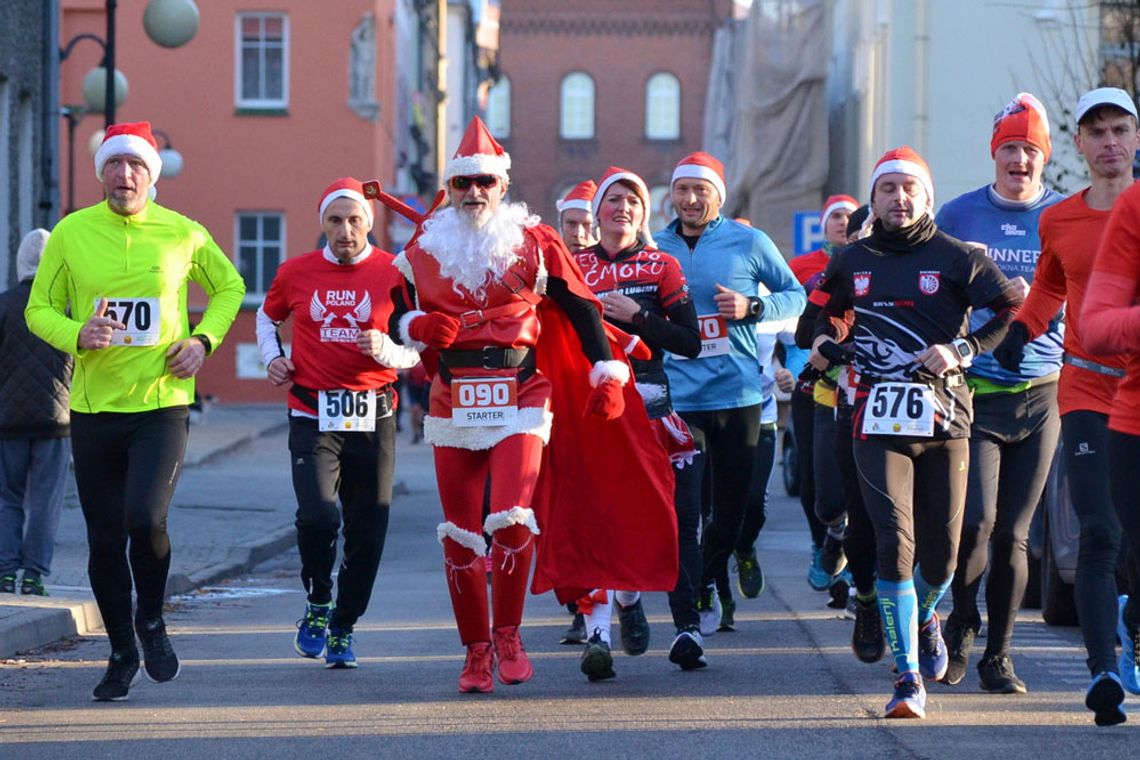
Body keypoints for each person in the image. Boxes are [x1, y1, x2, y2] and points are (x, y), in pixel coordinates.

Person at [387, 117, 677, 693]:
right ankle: (474, 652)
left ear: (502, 186)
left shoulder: (536, 242)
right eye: (463, 182)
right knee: (460, 532)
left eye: (484, 183)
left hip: (520, 393)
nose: (474, 193)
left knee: (513, 519)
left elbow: (584, 309)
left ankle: (509, 634)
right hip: (452, 397)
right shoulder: (422, 247)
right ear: (450, 187)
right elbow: (395, 315)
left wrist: (608, 373)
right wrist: (419, 323)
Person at [25, 121, 245, 701]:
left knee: (145, 521)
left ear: (152, 174)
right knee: (103, 539)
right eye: (115, 165)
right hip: (95, 409)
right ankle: (121, 649)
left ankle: (151, 619)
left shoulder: (183, 233)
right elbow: (37, 309)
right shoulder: (72, 233)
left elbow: (229, 288)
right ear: (102, 173)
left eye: (136, 166)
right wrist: (78, 332)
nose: (125, 175)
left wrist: (202, 342)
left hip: (160, 404)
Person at [811, 146, 1021, 718]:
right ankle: (906, 678)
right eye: (887, 189)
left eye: (910, 189)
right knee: (892, 545)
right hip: (875, 420)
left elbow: (1008, 310)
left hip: (947, 420)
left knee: (943, 559)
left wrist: (962, 348)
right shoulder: (852, 260)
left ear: (926, 198)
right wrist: (830, 347)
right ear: (873, 200)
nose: (899, 198)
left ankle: (926, 613)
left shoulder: (956, 256)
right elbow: (817, 319)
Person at [994, 87, 1138, 726]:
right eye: (1096, 132)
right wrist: (1021, 332)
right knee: (1100, 532)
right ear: (1077, 146)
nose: (1109, 142)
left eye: (1119, 130)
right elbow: (1051, 283)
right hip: (1085, 384)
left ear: (1135, 139)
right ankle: (1103, 670)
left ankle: (1129, 621)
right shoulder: (1059, 219)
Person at [256, 177, 420, 669]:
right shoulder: (296, 272)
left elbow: (421, 340)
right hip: (312, 411)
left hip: (375, 413)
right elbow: (267, 318)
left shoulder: (396, 272)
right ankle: (317, 602)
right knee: (319, 516)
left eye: (354, 220)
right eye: (335, 220)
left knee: (368, 532)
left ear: (369, 224)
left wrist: (389, 350)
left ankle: (344, 625)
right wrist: (273, 357)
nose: (345, 230)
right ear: (322, 224)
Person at [936, 93, 1065, 693]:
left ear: (1045, 157)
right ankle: (962, 625)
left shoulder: (1066, 217)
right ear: (994, 155)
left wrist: (1039, 306)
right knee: (977, 523)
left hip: (1043, 391)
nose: (1019, 160)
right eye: (1010, 148)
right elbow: (932, 295)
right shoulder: (960, 217)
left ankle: (1000, 654)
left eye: (1030, 150)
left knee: (1016, 531)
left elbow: (1093, 292)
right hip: (977, 390)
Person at [656, 151, 805, 637]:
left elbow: (796, 295)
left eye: (700, 190)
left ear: (717, 196)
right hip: (679, 397)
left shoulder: (749, 242)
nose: (691, 199)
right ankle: (695, 593)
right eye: (682, 190)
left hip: (738, 394)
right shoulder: (655, 247)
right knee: (687, 511)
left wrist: (753, 305)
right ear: (671, 196)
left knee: (734, 513)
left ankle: (713, 569)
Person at [571, 166, 702, 677]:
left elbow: (689, 342)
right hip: (595, 411)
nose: (622, 208)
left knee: (676, 520)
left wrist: (638, 317)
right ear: (597, 212)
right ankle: (599, 634)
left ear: (644, 213)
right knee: (598, 521)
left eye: (633, 200)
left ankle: (688, 629)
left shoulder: (662, 264)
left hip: (652, 408)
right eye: (613, 200)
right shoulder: (572, 265)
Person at [790, 195, 860, 591]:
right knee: (812, 477)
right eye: (835, 216)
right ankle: (825, 541)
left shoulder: (875, 263)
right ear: (824, 224)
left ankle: (853, 562)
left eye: (848, 216)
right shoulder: (804, 268)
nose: (842, 223)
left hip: (859, 383)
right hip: (809, 378)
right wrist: (785, 365)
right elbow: (791, 322)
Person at [0, 229, 73, 597]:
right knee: (47, 500)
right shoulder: (68, 309)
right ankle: (34, 575)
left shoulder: (4, 304)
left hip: (7, 420)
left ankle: (5, 571)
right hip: (56, 420)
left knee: (6, 496)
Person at [555, 179, 598, 645]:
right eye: (572, 224)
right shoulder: (545, 267)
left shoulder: (619, 265)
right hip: (556, 398)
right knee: (561, 504)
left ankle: (607, 601)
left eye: (588, 224)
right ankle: (577, 603)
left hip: (605, 397)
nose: (581, 233)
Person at [557, 180, 598, 254]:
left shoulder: (620, 264)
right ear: (561, 227)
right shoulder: (545, 263)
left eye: (586, 225)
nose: (578, 233)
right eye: (571, 224)